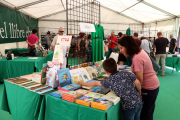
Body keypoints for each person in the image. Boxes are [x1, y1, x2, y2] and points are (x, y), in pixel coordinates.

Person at [78, 58, 143, 120]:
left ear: (106, 71)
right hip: (139, 101)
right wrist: (139, 92)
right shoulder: (125, 72)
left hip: (129, 106)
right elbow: (137, 83)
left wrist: (83, 84)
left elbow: (95, 83)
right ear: (116, 66)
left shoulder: (109, 80)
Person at [118, 36, 160, 120]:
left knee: (145, 114)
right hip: (152, 86)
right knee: (148, 111)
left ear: (127, 46)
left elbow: (140, 79)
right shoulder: (139, 52)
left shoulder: (137, 57)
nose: (120, 51)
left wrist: (138, 93)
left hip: (148, 88)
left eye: (121, 48)